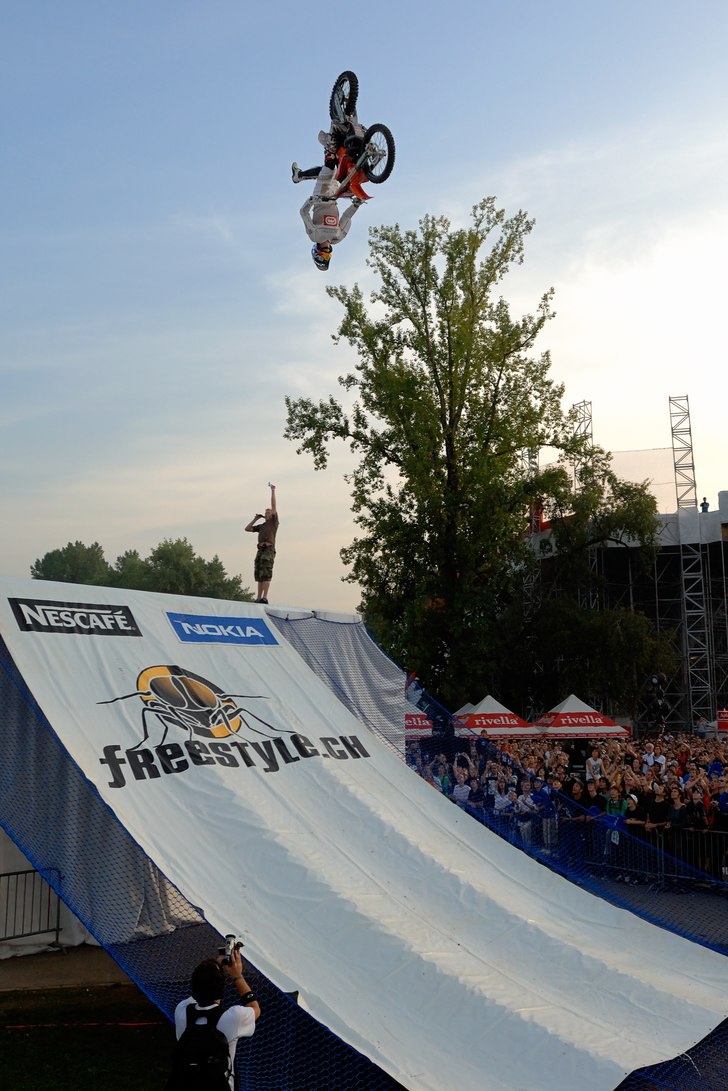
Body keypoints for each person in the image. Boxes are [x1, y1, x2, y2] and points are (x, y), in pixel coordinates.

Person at [171, 946, 260, 1091]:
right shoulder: (233, 1018)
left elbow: (200, 986)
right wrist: (237, 975)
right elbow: (255, 1008)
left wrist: (214, 966)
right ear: (221, 989)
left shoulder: (181, 1011)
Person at [292, 130, 365, 271]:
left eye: (323, 258)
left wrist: (311, 200)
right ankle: (300, 175)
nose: (326, 255)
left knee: (330, 170)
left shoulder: (315, 236)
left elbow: (303, 213)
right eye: (327, 258)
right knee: (343, 170)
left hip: (321, 195)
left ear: (317, 253)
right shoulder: (337, 238)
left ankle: (328, 145)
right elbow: (346, 217)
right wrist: (357, 205)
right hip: (334, 196)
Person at [245, 483, 278, 604]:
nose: (267, 514)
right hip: (260, 550)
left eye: (268, 513)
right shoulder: (262, 525)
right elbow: (247, 529)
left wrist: (273, 491)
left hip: (268, 549)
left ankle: (265, 597)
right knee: (259, 573)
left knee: (266, 573)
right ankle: (258, 597)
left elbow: (274, 506)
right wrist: (255, 519)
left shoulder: (273, 523)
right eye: (266, 513)